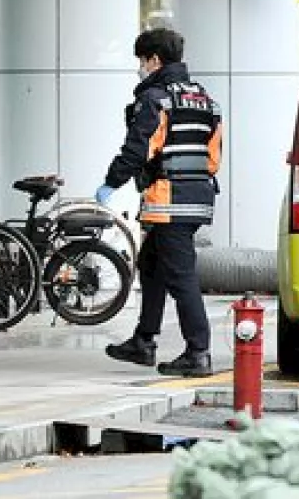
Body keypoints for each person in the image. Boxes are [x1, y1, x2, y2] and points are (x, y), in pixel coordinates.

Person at [99, 28, 223, 378]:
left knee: (181, 276)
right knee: (151, 265)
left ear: (154, 59)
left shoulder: (156, 98)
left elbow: (139, 147)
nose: (140, 67)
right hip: (198, 194)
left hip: (170, 199)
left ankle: (198, 352)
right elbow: (214, 157)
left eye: (141, 60)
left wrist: (112, 182)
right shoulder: (205, 99)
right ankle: (143, 340)